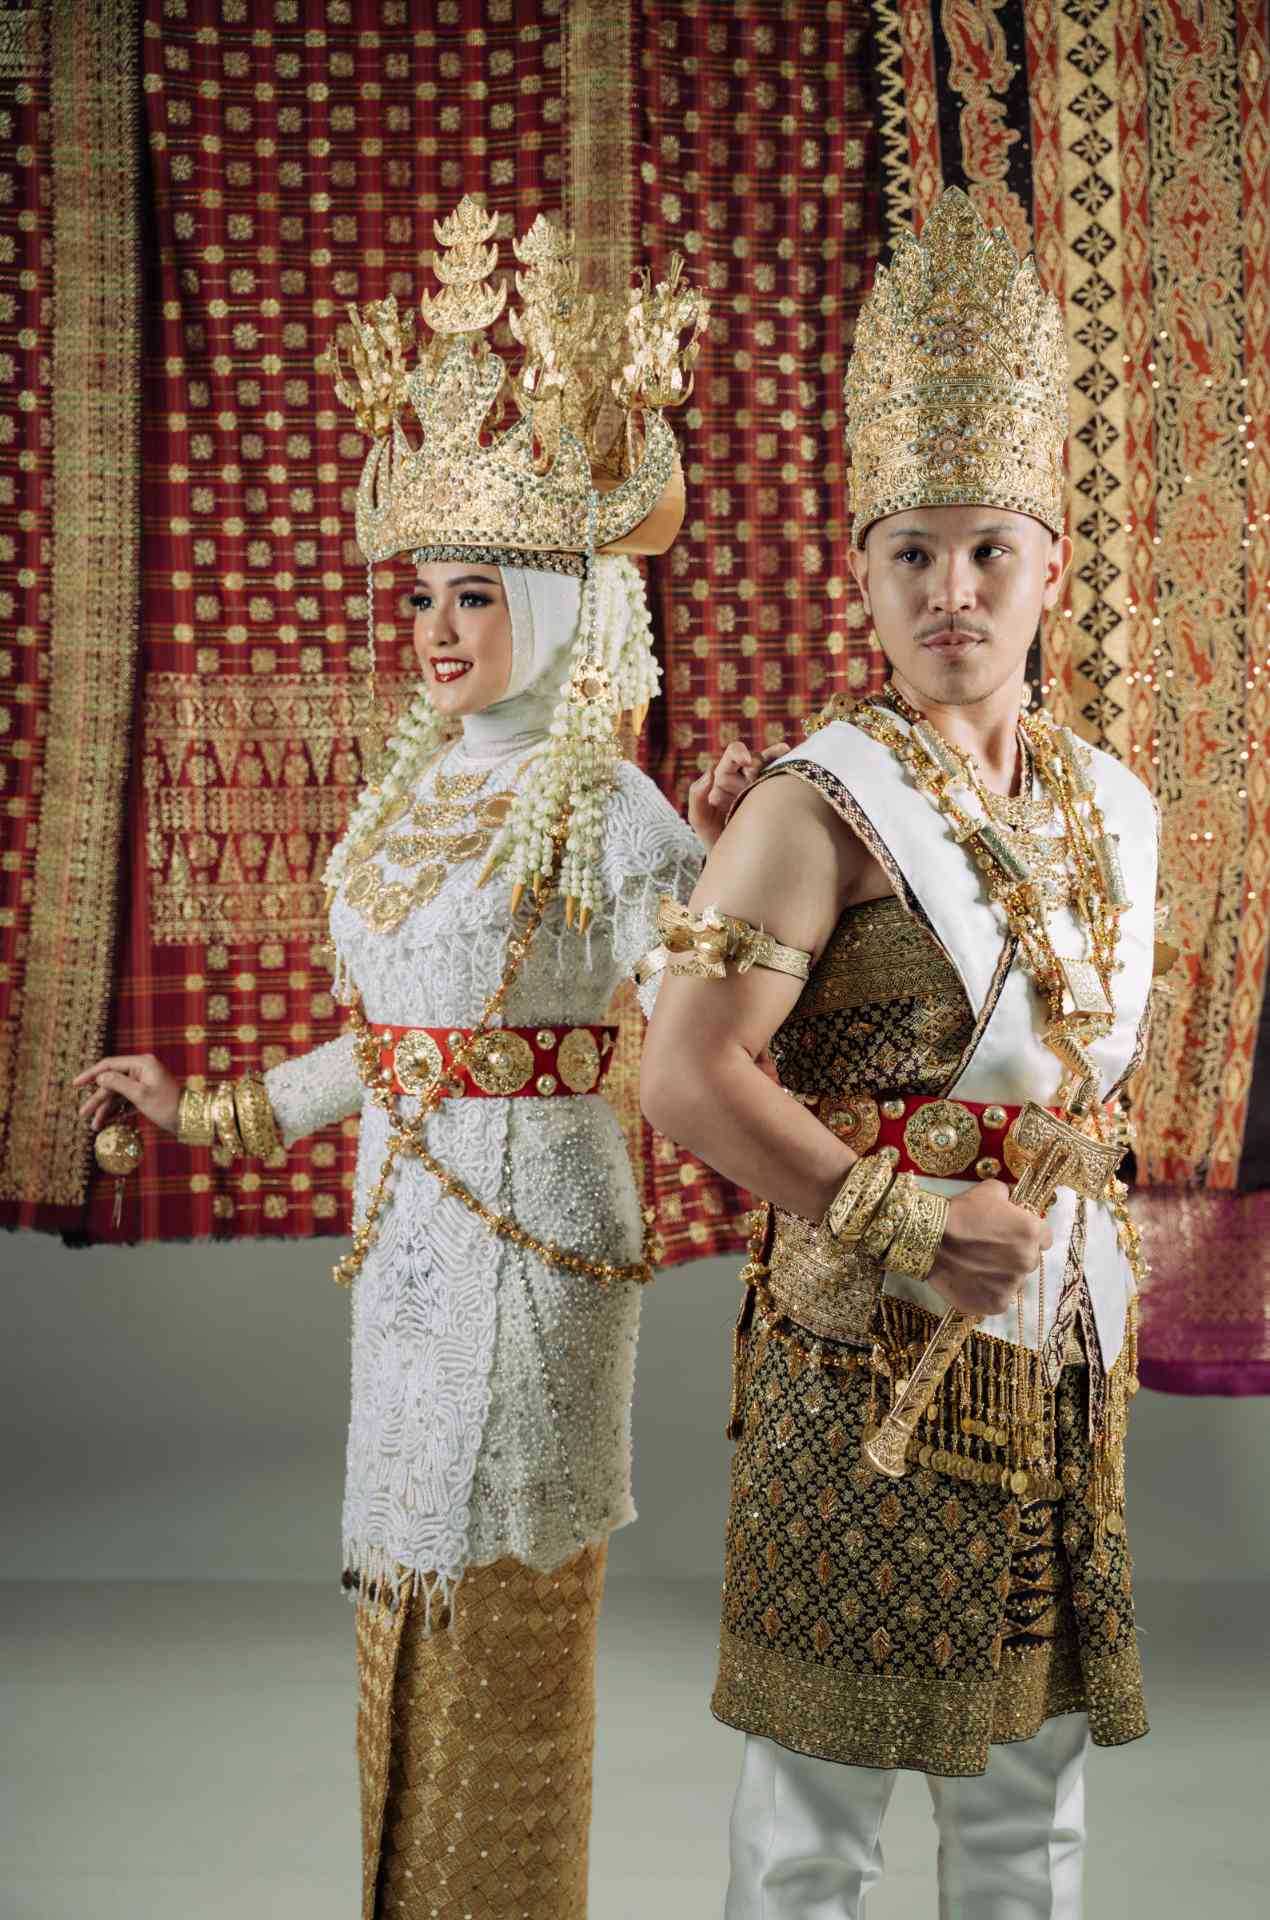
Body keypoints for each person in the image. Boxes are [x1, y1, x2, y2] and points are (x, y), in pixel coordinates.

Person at [75, 199, 708, 1920]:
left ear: (557, 605)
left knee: (497, 1604)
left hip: (545, 1244)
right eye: (421, 594)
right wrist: (209, 1108)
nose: (434, 629)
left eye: (475, 595)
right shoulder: (413, 790)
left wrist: (737, 913)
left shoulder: (610, 800)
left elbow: (711, 1016)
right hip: (410, 1248)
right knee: (395, 1592)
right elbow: (392, 1046)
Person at [640, 187, 1160, 1919]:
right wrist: (904, 1219)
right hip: (866, 1341)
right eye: (910, 554)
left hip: (1053, 1331)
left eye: (988, 549)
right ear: (858, 576)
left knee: (1028, 1800)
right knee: (816, 1808)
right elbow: (684, 1075)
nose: (951, 590)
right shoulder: (813, 803)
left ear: (1049, 567)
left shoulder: (1109, 804)